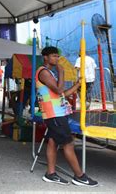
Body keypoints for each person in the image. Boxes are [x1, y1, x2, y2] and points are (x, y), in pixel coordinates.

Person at [37, 47, 98, 187]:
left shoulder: (50, 73)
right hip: (54, 113)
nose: (56, 59)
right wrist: (62, 72)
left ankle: (50, 173)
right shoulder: (44, 72)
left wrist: (78, 84)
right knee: (68, 143)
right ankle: (80, 176)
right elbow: (58, 90)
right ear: (45, 57)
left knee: (53, 141)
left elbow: (61, 94)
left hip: (57, 112)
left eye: (57, 56)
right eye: (53, 56)